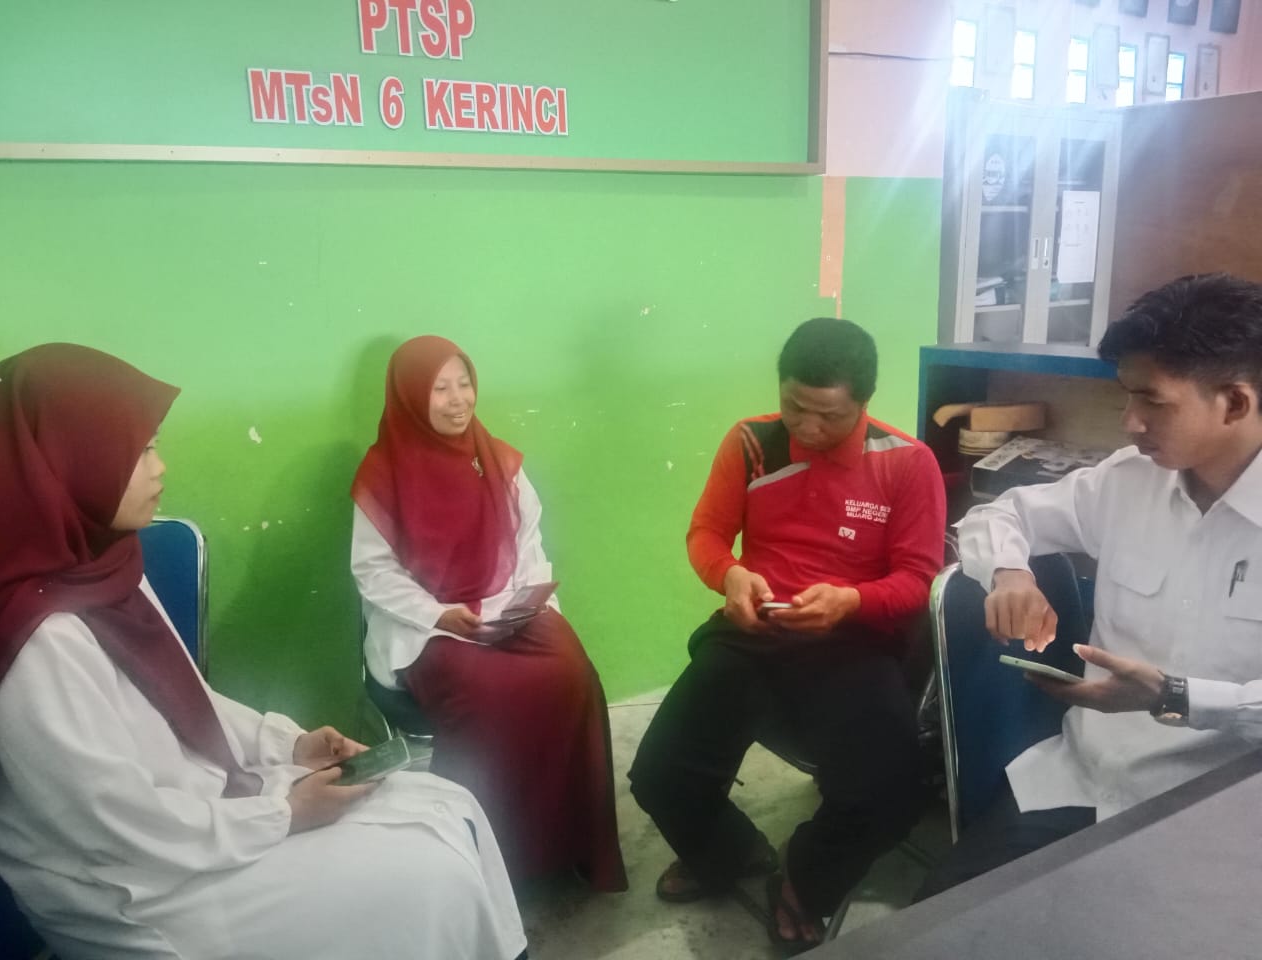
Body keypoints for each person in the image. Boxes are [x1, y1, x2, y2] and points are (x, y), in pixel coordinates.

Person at [0, 343, 527, 960]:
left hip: (202, 816)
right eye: (140, 451)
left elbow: (185, 699)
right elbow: (119, 826)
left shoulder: (104, 567)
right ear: (64, 467)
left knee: (448, 803)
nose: (160, 468)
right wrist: (284, 813)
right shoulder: (38, 642)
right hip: (140, 893)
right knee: (431, 874)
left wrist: (290, 746)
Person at [916, 273, 1262, 899]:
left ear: (1235, 403)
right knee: (939, 922)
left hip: (1216, 815)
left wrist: (1177, 696)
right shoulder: (1128, 482)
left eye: (1153, 401)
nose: (1130, 422)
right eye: (1127, 396)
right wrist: (1009, 573)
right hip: (1081, 780)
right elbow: (997, 515)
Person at [628, 317, 946, 953]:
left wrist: (852, 600)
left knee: (891, 790)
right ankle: (730, 853)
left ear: (864, 402)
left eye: (828, 415)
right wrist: (731, 576)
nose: (807, 427)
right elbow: (707, 534)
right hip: (756, 629)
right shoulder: (752, 442)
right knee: (661, 774)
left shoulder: (907, 462)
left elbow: (918, 579)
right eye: (794, 406)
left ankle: (804, 880)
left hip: (852, 640)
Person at [350, 335, 626, 892]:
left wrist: (528, 606)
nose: (458, 400)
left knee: (572, 675)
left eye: (465, 383)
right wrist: (439, 615)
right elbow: (373, 573)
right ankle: (487, 861)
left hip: (506, 609)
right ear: (410, 398)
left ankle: (575, 844)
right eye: (440, 389)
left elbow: (528, 546)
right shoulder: (383, 475)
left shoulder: (497, 459)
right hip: (428, 628)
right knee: (489, 697)